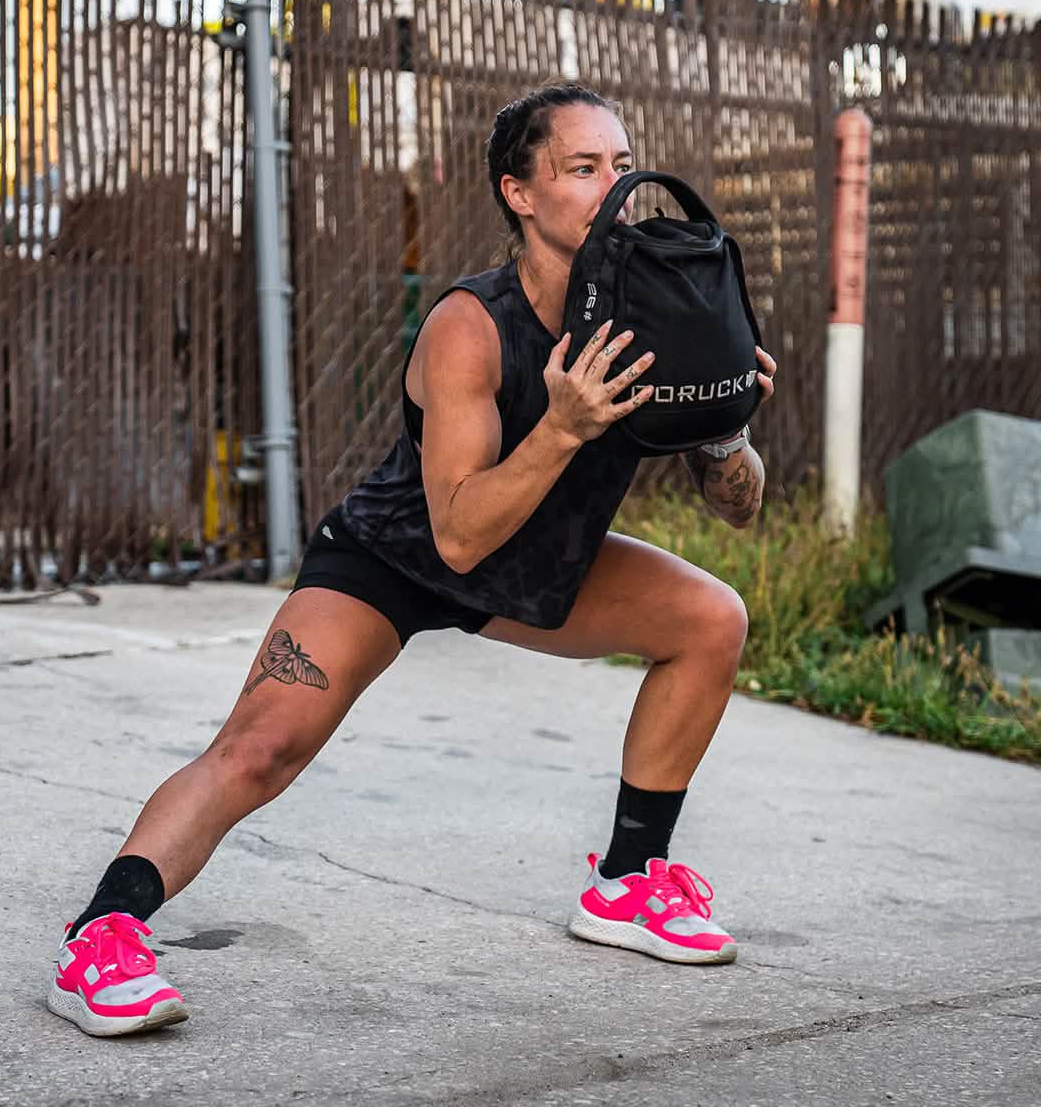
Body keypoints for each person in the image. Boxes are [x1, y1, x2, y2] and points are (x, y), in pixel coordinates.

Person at [46, 82, 778, 1037]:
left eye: (621, 162)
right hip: (398, 557)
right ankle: (100, 938)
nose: (615, 186)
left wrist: (725, 432)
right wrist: (560, 427)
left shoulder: (656, 306)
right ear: (520, 192)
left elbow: (738, 507)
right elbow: (459, 535)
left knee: (711, 620)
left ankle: (630, 882)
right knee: (260, 750)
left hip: (535, 560)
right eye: (583, 168)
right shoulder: (469, 326)